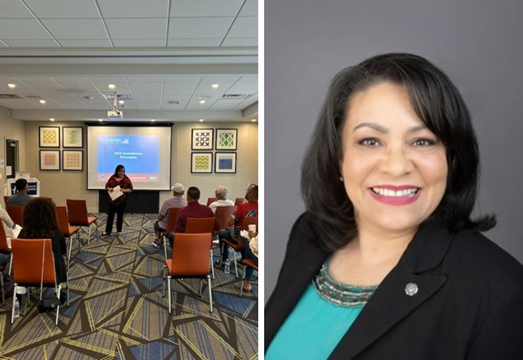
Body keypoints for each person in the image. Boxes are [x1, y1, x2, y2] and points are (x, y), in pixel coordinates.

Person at [265, 53, 523, 359]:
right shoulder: (309, 232)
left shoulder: (501, 290)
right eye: (371, 141)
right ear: (338, 157)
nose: (397, 166)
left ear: (450, 158)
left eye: (422, 141)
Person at [18, 198, 67, 291]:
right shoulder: (55, 234)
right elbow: (63, 251)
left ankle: (20, 294)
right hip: (51, 274)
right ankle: (57, 291)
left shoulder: (22, 234)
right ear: (51, 216)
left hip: (27, 274)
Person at [216, 185, 258, 265]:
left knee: (222, 233)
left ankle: (224, 259)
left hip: (239, 237)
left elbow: (230, 223)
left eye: (247, 191)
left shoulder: (242, 207)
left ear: (250, 195)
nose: (246, 192)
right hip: (255, 238)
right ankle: (243, 258)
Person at [152, 183, 187, 248]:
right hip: (181, 228)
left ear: (173, 192)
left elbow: (160, 217)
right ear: (183, 192)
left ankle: (159, 239)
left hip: (166, 227)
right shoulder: (186, 203)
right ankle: (161, 239)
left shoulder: (167, 202)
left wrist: (159, 217)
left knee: (155, 222)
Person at [103, 164, 133, 236]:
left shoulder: (126, 179)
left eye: (123, 171)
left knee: (120, 216)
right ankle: (108, 231)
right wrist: (109, 189)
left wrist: (124, 190)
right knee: (110, 216)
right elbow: (107, 186)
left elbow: (131, 189)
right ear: (117, 171)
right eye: (120, 171)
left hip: (121, 201)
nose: (121, 173)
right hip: (112, 200)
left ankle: (119, 231)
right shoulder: (112, 178)